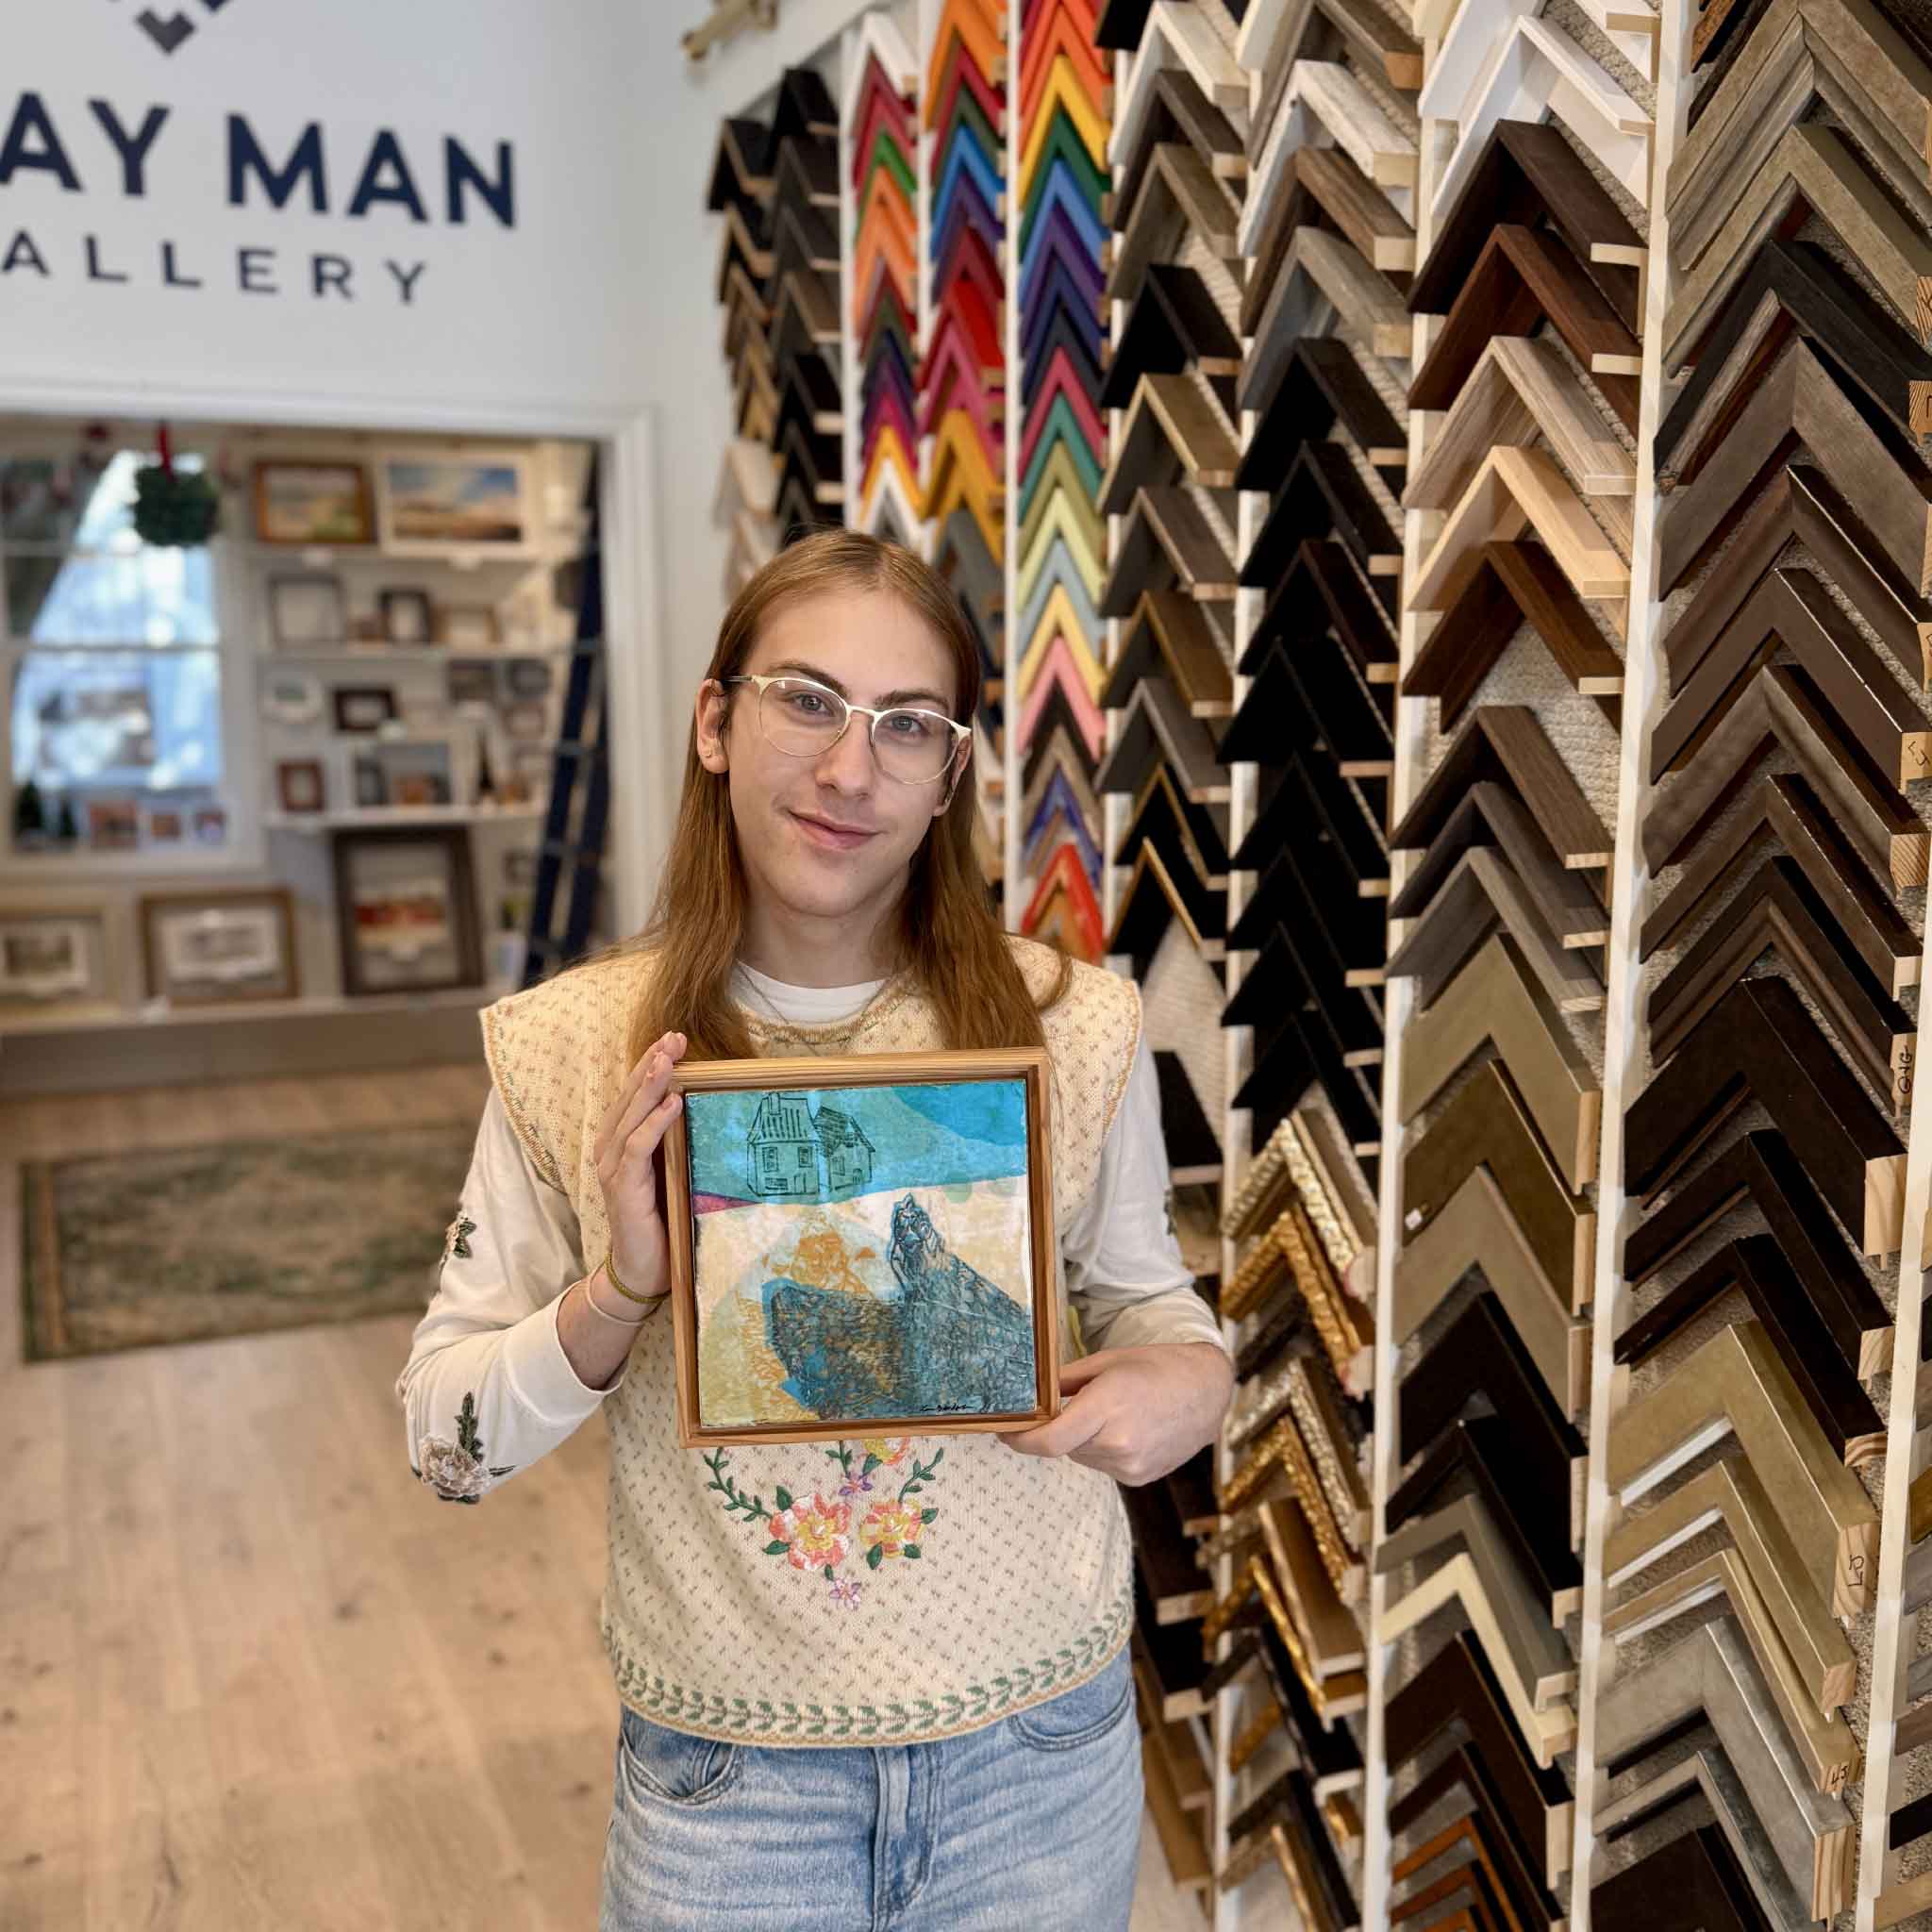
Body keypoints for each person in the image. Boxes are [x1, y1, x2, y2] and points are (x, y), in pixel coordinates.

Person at [395, 528, 1235, 1932]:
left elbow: (1163, 1318)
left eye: (908, 725)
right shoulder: (574, 1051)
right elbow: (442, 1445)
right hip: (732, 1788)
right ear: (716, 722)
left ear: (950, 772)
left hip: (1038, 1753)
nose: (853, 770)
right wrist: (618, 1292)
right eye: (807, 701)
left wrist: (1183, 1387)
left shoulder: (1071, 1031)